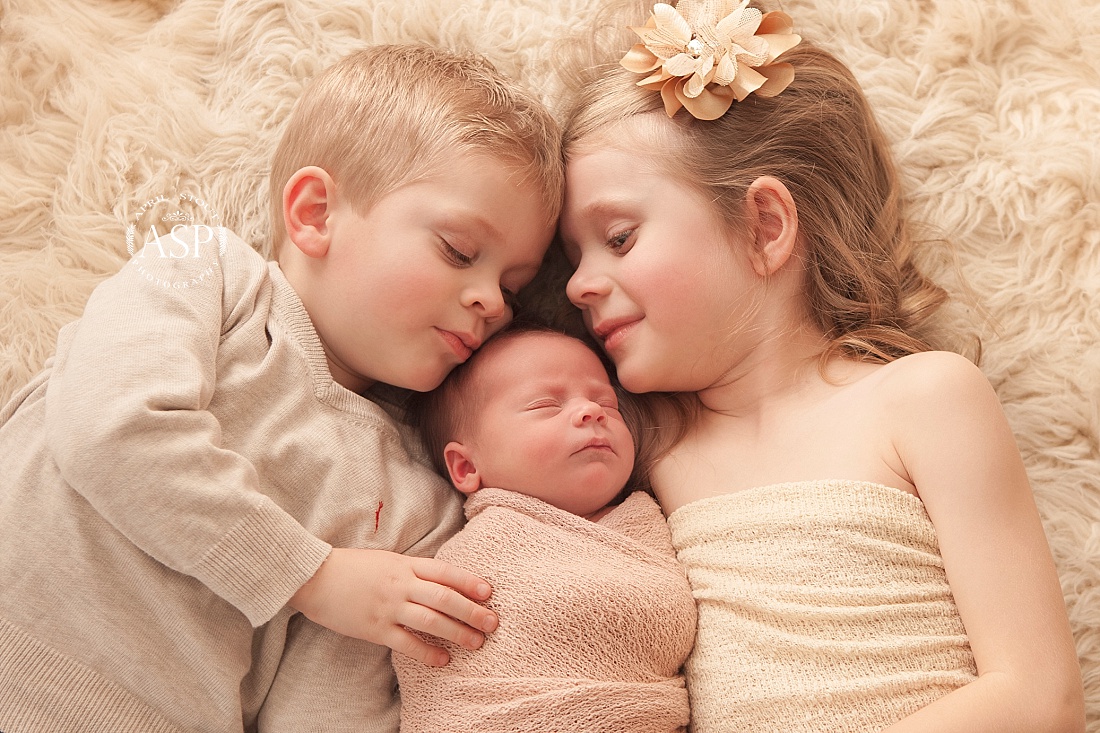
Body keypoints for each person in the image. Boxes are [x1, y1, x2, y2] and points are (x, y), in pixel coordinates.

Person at [556, 1, 1086, 731]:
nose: (576, 284)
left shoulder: (924, 398)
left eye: (617, 237)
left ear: (765, 226)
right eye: (571, 256)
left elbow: (1038, 695)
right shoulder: (641, 443)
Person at [0, 45, 561, 733]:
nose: (491, 303)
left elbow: (324, 704)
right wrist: (312, 577)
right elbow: (111, 429)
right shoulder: (203, 267)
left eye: (511, 287)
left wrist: (340, 592)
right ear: (315, 212)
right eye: (458, 250)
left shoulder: (420, 498)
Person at [393, 325, 697, 733]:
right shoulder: (474, 559)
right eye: (545, 405)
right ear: (466, 467)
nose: (592, 412)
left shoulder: (653, 520)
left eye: (608, 403)